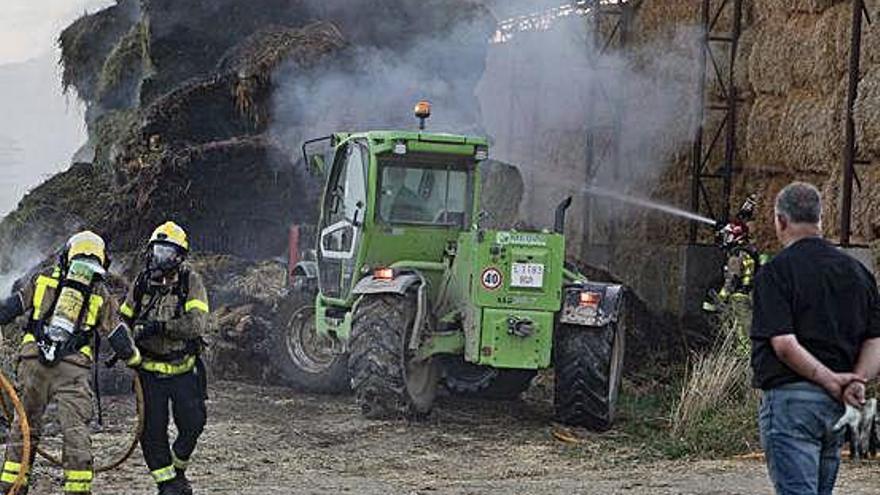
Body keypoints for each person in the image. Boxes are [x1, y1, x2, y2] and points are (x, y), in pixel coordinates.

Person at [750, 182, 880, 495]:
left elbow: (783, 344)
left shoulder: (776, 272)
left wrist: (830, 379)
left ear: (781, 221)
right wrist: (857, 380)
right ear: (821, 219)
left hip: (792, 402)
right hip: (837, 407)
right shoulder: (858, 272)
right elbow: (875, 341)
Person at [0, 231, 119, 495]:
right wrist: (134, 359)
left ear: (66, 255)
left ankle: (12, 487)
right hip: (73, 371)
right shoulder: (100, 292)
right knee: (75, 431)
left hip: (33, 364)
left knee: (24, 427)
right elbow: (117, 334)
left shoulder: (42, 279)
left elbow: (11, 307)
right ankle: (77, 490)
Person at [117, 222, 209, 495]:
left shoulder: (190, 282)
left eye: (167, 253)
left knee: (193, 424)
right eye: (157, 251)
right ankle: (167, 483)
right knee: (151, 432)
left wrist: (160, 327)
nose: (161, 258)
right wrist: (126, 341)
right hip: (149, 374)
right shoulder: (142, 282)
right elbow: (123, 319)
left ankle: (178, 468)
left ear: (180, 256)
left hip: (184, 370)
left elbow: (196, 324)